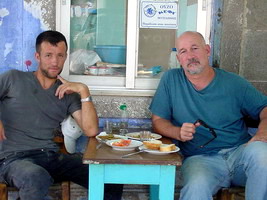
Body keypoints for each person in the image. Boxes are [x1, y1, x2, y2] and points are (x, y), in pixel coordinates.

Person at [0, 30, 123, 200]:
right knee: (36, 177)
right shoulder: (13, 79)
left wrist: (83, 91)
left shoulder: (68, 92)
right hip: (14, 159)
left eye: (60, 55)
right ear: (37, 56)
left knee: (109, 177)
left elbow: (91, 130)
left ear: (66, 57)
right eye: (48, 55)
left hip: (50, 156)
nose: (54, 62)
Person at [149, 31, 267, 200]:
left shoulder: (233, 83)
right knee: (196, 187)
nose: (190, 56)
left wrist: (263, 132)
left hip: (239, 153)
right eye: (183, 51)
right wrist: (178, 133)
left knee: (263, 153)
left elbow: (265, 107)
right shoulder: (171, 79)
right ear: (179, 59)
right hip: (200, 159)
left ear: (207, 50)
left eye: (194, 48)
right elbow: (158, 121)